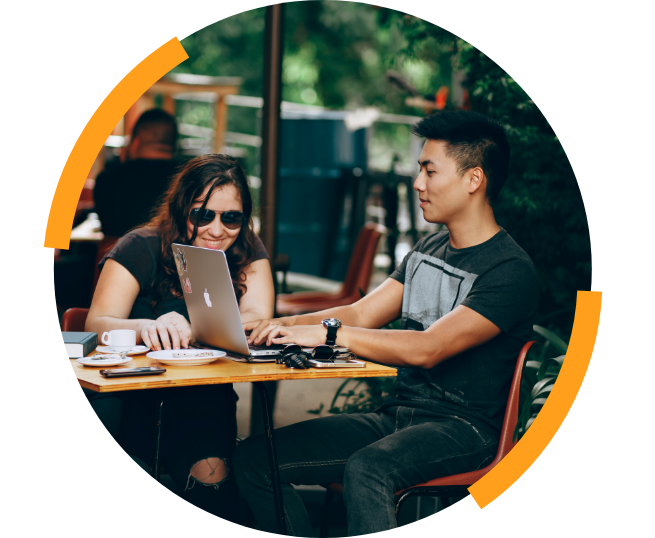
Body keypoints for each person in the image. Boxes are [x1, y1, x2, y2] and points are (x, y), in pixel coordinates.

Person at [234, 110, 539, 536]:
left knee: (368, 469)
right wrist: (277, 325)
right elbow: (361, 313)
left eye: (430, 171)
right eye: (420, 170)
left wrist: (322, 333)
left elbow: (428, 348)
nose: (418, 184)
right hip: (396, 417)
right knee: (254, 461)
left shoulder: (509, 269)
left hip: (464, 430)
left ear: (474, 179)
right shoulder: (429, 246)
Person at [84, 153, 275, 522]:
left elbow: (257, 317)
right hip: (134, 395)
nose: (218, 230)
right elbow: (95, 323)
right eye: (203, 215)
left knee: (214, 490)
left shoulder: (246, 248)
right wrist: (145, 326)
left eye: (231, 217)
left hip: (203, 399)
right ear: (180, 209)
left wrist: (197, 325)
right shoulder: (141, 245)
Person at [93, 108, 181, 238]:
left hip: (116, 256)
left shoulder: (107, 179)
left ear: (136, 141)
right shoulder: (188, 180)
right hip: (170, 257)